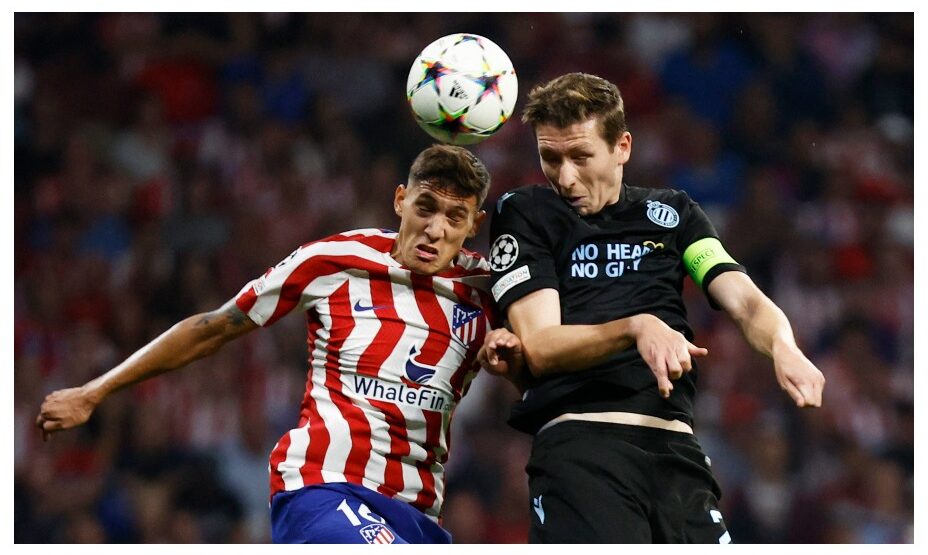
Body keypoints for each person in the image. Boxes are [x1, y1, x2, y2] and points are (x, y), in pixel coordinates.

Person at [36, 144, 506, 544]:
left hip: (417, 514)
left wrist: (512, 350)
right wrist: (94, 391)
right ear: (400, 200)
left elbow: (536, 362)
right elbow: (213, 327)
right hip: (324, 488)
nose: (436, 229)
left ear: (474, 223)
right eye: (426, 207)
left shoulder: (488, 291)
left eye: (455, 217)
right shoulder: (335, 260)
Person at [481, 73, 826, 544]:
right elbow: (540, 346)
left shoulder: (673, 214)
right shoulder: (526, 212)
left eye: (580, 157)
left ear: (622, 147)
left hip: (677, 454)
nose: (565, 177)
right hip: (584, 453)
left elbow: (743, 298)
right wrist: (637, 327)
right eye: (551, 158)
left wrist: (785, 347)